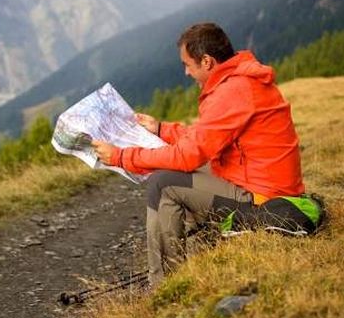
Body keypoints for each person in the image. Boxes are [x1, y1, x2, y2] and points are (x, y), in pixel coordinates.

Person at [92, 22, 304, 286]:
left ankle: (166, 284)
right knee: (179, 174)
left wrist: (121, 157)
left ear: (207, 61)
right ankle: (193, 248)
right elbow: (207, 136)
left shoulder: (233, 90)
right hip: (264, 184)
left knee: (164, 183)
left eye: (188, 65)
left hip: (265, 200)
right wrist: (161, 129)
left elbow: (187, 156)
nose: (185, 72)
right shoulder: (240, 81)